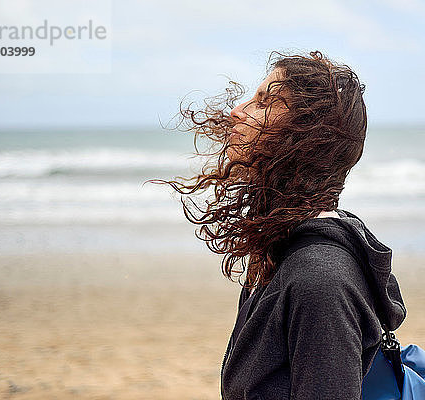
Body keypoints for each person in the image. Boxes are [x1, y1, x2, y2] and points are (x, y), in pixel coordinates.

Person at [145, 50, 406, 399]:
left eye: (264, 102)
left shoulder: (319, 279)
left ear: (307, 137)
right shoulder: (279, 254)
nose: (238, 112)